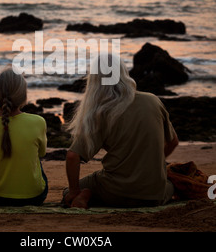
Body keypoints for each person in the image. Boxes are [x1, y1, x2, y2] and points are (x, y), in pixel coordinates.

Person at [63, 55, 179, 209]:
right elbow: (173, 142)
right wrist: (148, 164)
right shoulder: (152, 101)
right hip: (154, 196)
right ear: (124, 74)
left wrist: (73, 191)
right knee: (173, 185)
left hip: (115, 192)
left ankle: (85, 195)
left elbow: (72, 156)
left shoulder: (101, 112)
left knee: (68, 192)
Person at [0, 66, 48, 206]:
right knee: (36, 159)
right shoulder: (38, 122)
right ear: (23, 95)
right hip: (33, 198)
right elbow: (42, 153)